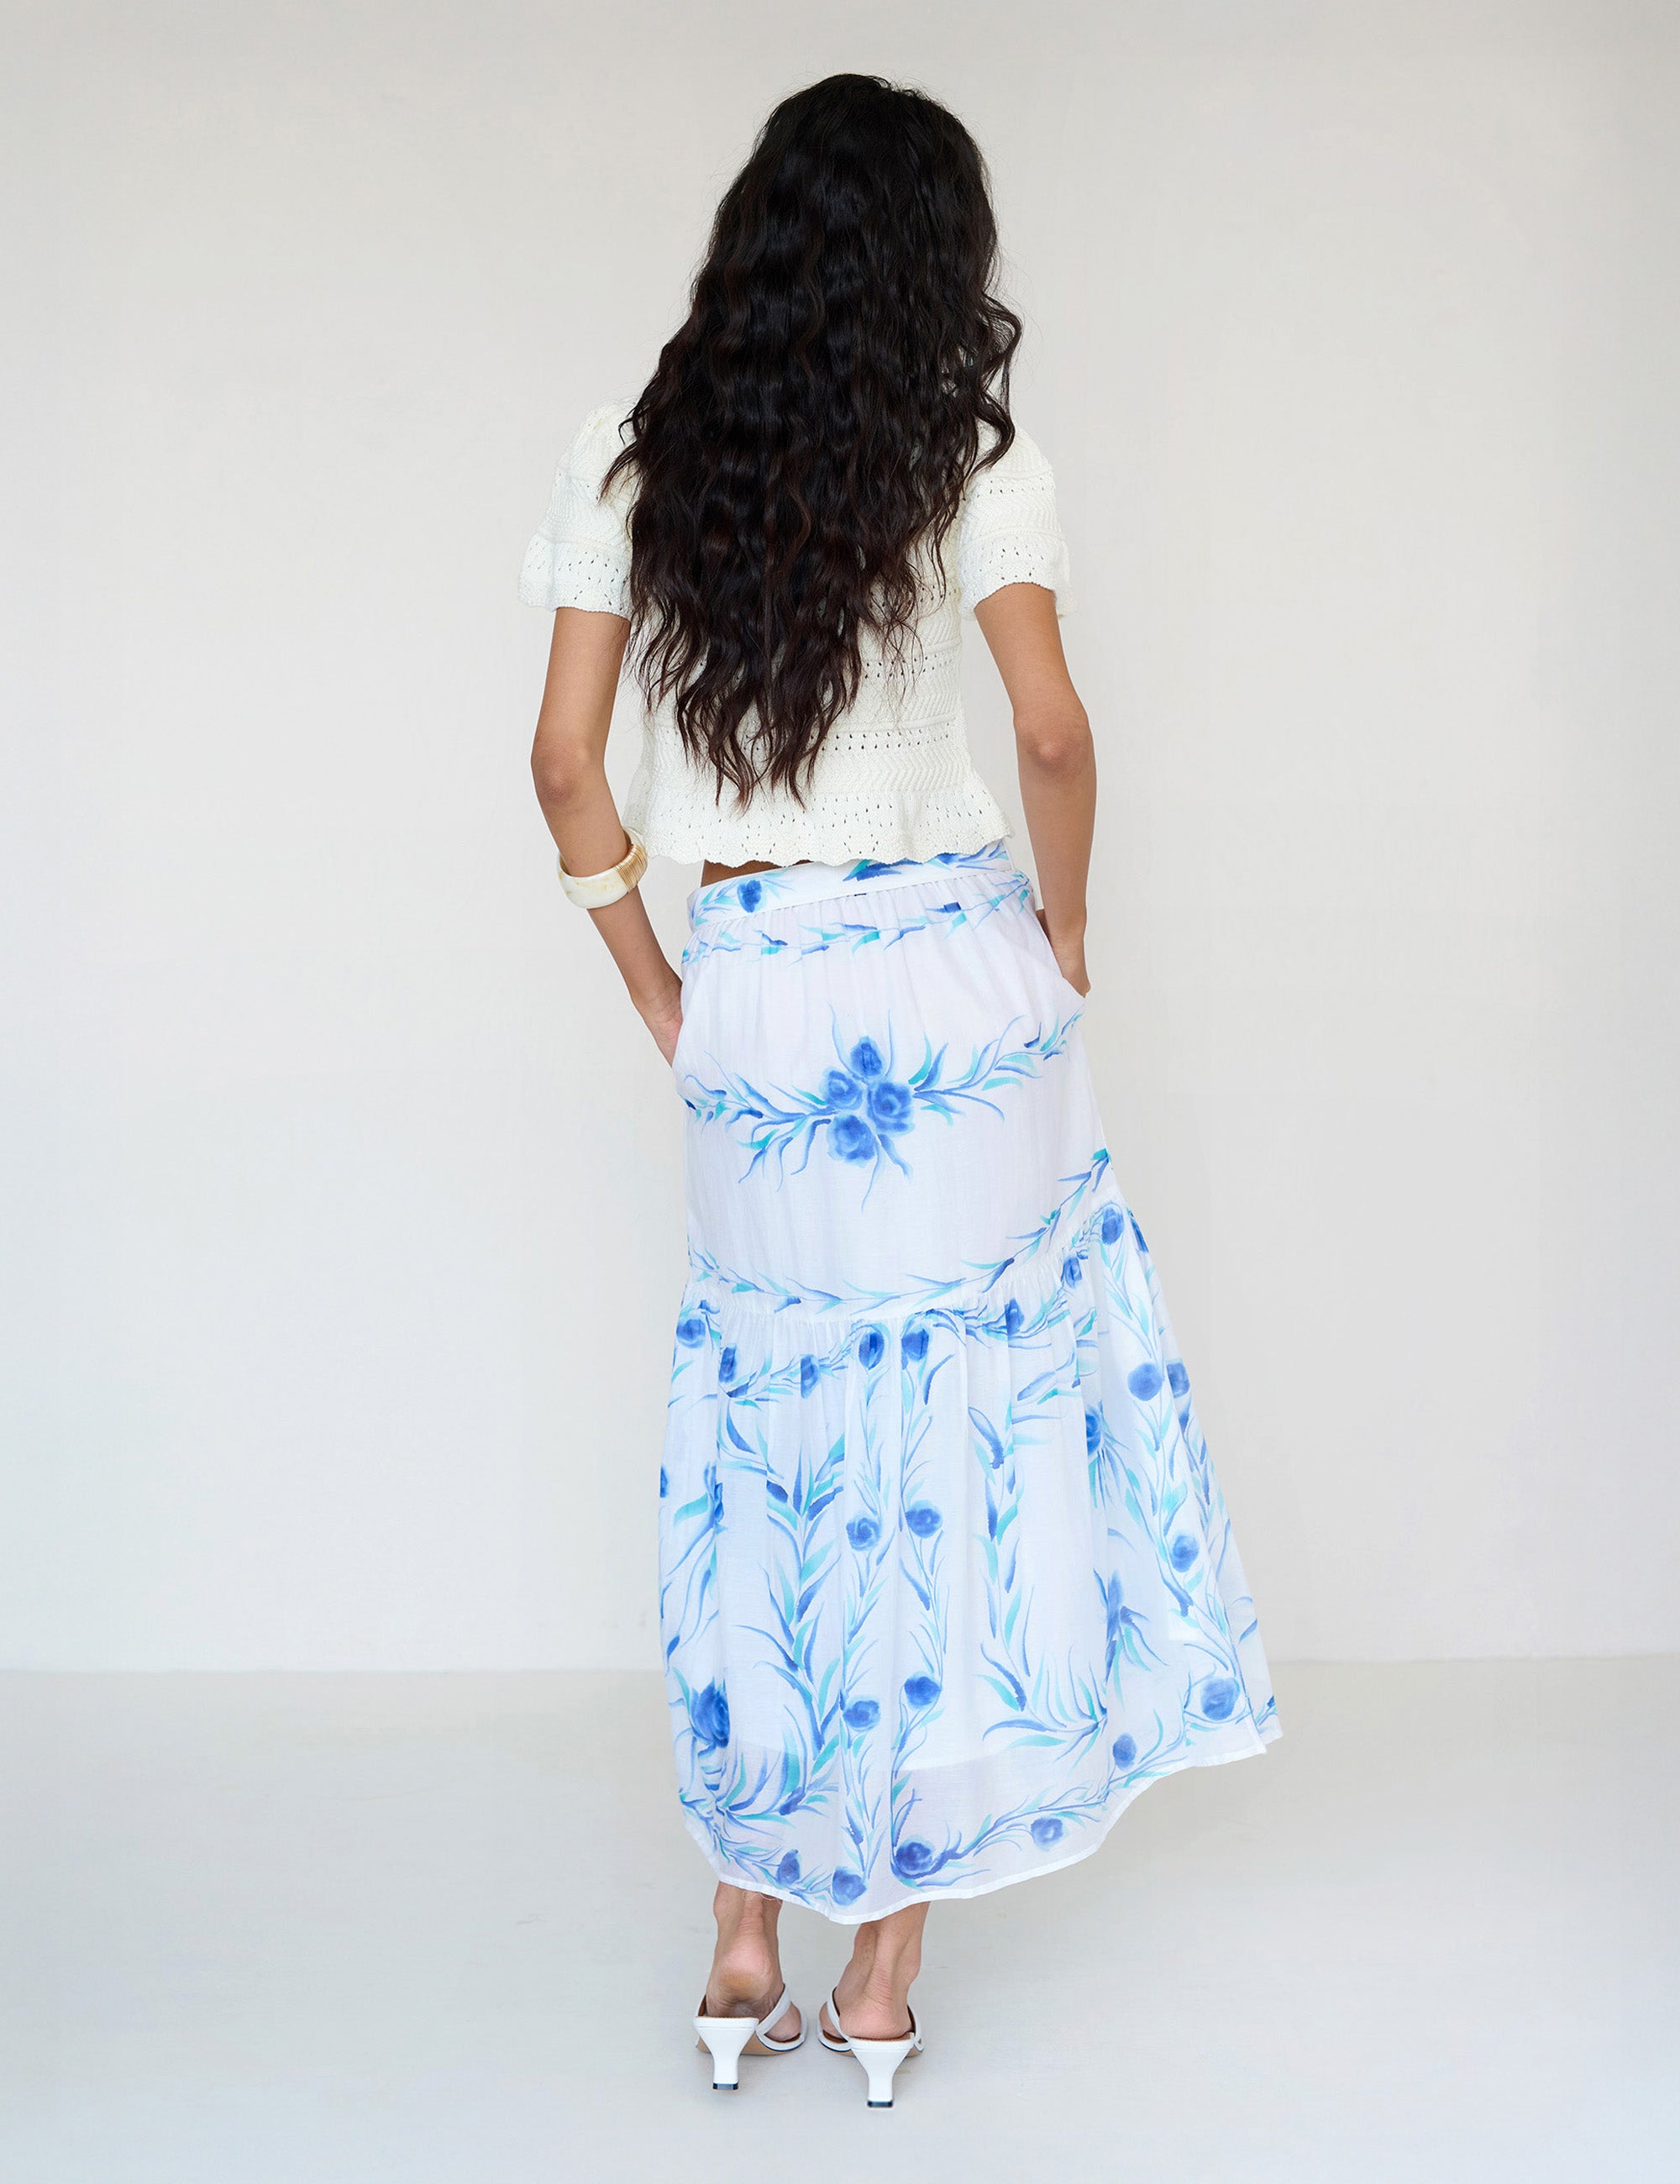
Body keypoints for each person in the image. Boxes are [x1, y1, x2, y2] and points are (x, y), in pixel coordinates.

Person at [521, 73, 1279, 2108]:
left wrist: (659, 979)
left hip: (759, 999)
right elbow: (1046, 725)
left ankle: (738, 1934)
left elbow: (567, 767)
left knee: (774, 1432)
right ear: (936, 256)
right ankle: (874, 1981)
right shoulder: (965, 451)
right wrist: (1069, 924)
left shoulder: (639, 457)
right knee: (951, 1436)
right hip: (952, 980)